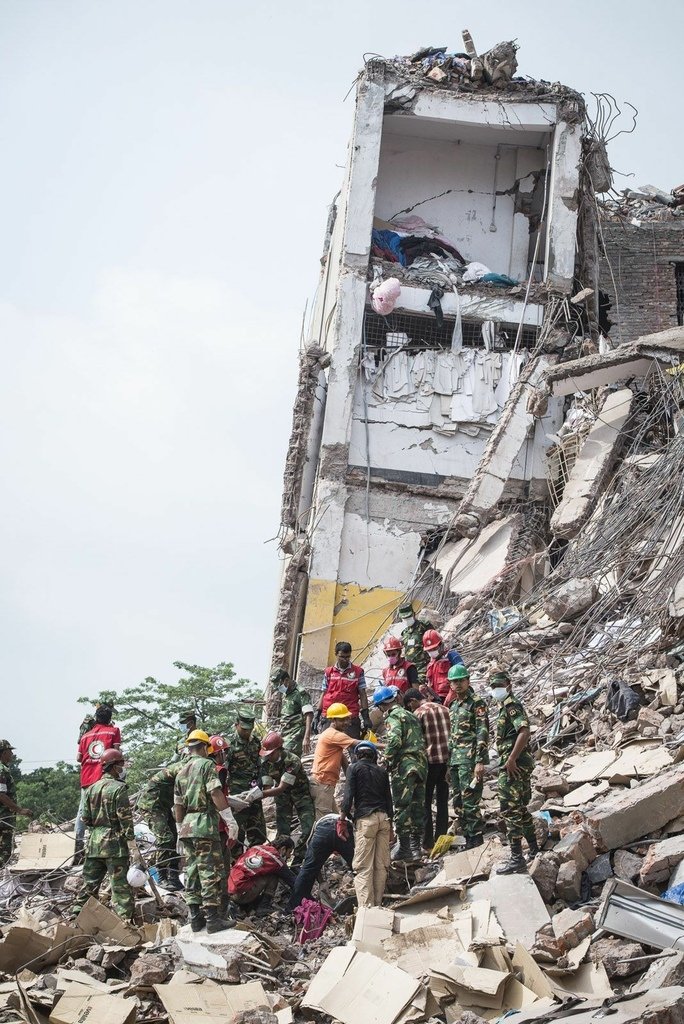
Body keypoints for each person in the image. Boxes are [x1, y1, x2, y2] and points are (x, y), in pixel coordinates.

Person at [174, 730, 237, 933]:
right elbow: (215, 792)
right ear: (204, 747)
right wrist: (229, 820)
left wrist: (178, 828)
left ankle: (195, 917)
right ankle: (212, 920)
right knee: (209, 871)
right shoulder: (207, 765)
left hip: (187, 825)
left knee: (191, 871)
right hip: (204, 824)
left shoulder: (181, 770)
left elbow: (178, 804)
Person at [72, 749, 140, 921]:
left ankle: (75, 918)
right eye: (121, 764)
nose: (123, 767)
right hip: (115, 846)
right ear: (114, 766)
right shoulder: (119, 789)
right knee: (120, 888)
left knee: (89, 885)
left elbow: (85, 818)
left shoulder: (91, 789)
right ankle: (124, 924)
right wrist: (133, 846)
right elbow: (125, 820)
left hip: (94, 845)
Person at [490, 670, 538, 873]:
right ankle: (534, 848)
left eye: (498, 685)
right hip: (517, 763)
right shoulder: (504, 707)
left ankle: (517, 858)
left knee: (509, 810)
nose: (496, 690)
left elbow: (524, 731)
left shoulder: (511, 706)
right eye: (492, 687)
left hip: (515, 764)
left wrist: (511, 758)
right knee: (519, 808)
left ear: (508, 684)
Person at [372, 686, 427, 862]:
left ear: (381, 706)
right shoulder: (411, 714)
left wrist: (387, 760)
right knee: (418, 805)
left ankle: (404, 848)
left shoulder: (393, 717)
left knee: (402, 807)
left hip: (405, 766)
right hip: (421, 764)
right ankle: (416, 848)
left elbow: (395, 740)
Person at [339, 740, 392, 908]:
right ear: (374, 755)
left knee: (363, 867)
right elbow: (389, 801)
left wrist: (341, 818)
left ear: (357, 755)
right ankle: (377, 905)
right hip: (384, 820)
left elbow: (348, 797)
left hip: (366, 820)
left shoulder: (353, 768)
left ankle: (366, 911)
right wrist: (392, 826)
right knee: (380, 866)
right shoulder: (382, 772)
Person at [448, 665, 490, 850]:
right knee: (458, 802)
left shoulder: (476, 703)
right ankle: (468, 838)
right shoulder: (454, 705)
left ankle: (476, 840)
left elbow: (482, 731)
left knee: (470, 800)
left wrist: (480, 761)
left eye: (460, 681)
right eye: (454, 682)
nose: (457, 685)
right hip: (456, 759)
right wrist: (448, 764)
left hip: (470, 758)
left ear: (468, 681)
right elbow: (452, 736)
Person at [403, 689, 451, 852]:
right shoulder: (445, 709)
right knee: (443, 800)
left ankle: (428, 842)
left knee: (426, 802)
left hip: (428, 763)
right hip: (446, 762)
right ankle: (442, 839)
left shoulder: (418, 714)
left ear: (412, 702)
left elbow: (416, 742)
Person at [259, 731, 315, 866]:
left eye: (271, 753)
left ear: (279, 750)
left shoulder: (292, 760)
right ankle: (279, 861)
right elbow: (268, 787)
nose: (269, 757)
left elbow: (281, 787)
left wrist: (259, 795)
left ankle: (299, 857)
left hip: (300, 794)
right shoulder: (266, 763)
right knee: (282, 832)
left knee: (309, 827)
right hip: (282, 798)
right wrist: (261, 792)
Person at [75, 703, 122, 849]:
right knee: (109, 810)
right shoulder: (113, 731)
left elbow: (78, 757)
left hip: (87, 778)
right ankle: (105, 843)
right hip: (103, 778)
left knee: (83, 811)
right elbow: (116, 754)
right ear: (109, 718)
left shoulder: (85, 736)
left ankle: (78, 844)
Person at [288, 813, 355, 911]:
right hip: (344, 828)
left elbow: (311, 863)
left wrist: (322, 881)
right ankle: (367, 901)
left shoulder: (317, 831)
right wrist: (322, 882)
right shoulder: (351, 824)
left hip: (323, 827)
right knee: (357, 867)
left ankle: (293, 907)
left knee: (307, 870)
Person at [137, 760, 185, 890]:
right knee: (165, 838)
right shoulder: (181, 768)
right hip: (152, 806)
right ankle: (162, 876)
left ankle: (174, 876)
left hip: (164, 806)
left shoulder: (189, 768)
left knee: (176, 838)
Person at [223, 706, 267, 850]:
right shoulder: (229, 746)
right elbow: (223, 771)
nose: (247, 732)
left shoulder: (256, 742)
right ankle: (236, 866)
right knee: (237, 835)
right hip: (237, 795)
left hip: (253, 793)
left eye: (249, 729)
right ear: (236, 725)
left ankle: (256, 864)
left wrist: (260, 783)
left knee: (258, 833)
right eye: (244, 729)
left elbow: (260, 764)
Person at [309, 703, 357, 819]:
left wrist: (351, 780)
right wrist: (386, 745)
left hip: (326, 784)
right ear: (333, 720)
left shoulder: (335, 736)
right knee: (323, 822)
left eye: (347, 719)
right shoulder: (333, 735)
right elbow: (358, 743)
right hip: (322, 783)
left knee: (336, 820)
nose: (346, 722)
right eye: (342, 720)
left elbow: (342, 760)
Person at [227, 837, 296, 918]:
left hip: (228, 890)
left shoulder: (256, 847)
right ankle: (263, 907)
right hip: (241, 893)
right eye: (289, 852)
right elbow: (293, 881)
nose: (288, 856)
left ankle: (247, 904)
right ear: (283, 849)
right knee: (273, 875)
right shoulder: (276, 859)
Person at [317, 641, 370, 740]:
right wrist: (318, 714)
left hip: (349, 717)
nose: (345, 660)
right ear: (336, 654)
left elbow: (363, 694)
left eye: (348, 657)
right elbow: (324, 693)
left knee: (352, 747)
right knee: (329, 745)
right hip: (330, 716)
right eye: (342, 657)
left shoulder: (358, 672)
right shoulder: (329, 672)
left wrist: (366, 716)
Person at [0, 740, 33, 868]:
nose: (12, 754)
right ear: (3, 752)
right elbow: (1, 794)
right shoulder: (1, 770)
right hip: (3, 819)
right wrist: (20, 810)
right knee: (5, 853)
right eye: (10, 751)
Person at [271, 668, 314, 757]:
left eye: (279, 685)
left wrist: (307, 737)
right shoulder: (286, 693)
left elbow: (309, 715)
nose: (279, 689)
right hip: (285, 732)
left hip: (295, 734)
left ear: (286, 680)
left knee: (288, 758)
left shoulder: (300, 693)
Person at [422, 631, 464, 702]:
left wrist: (451, 695)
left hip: (453, 699)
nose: (432, 652)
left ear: (441, 645)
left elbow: (462, 678)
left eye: (434, 649)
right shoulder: (431, 663)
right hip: (437, 701)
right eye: (429, 650)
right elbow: (429, 683)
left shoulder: (452, 656)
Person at [398, 605, 432, 683]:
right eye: (404, 618)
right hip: (410, 669)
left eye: (408, 617)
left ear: (413, 614)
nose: (407, 620)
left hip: (424, 668)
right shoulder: (405, 633)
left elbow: (434, 643)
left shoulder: (424, 626)